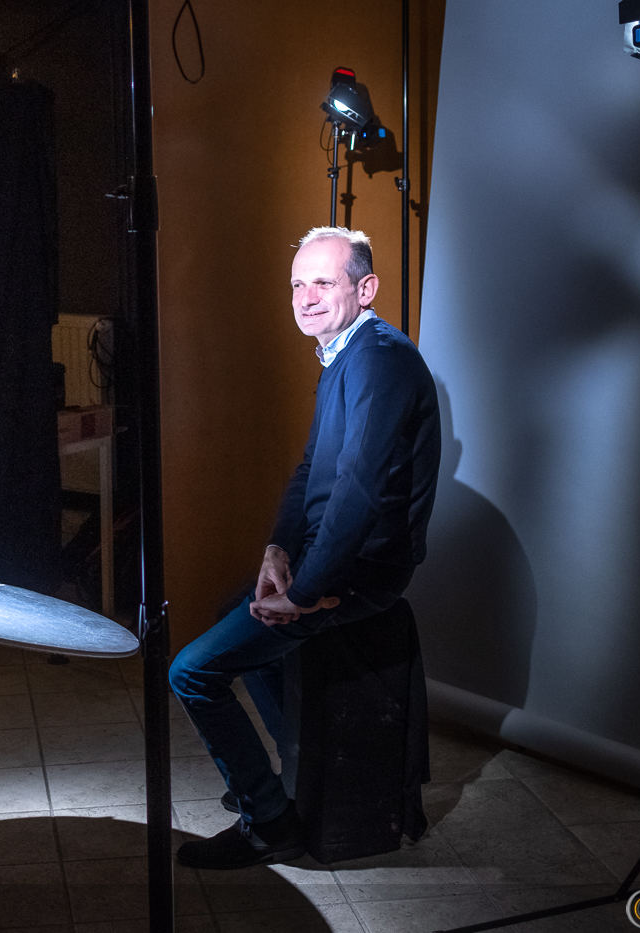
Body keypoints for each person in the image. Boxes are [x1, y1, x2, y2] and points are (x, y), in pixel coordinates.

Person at [170, 226, 441, 870]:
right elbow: (311, 469)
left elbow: (360, 489)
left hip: (361, 573)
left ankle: (268, 821)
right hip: (333, 561)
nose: (306, 297)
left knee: (192, 672)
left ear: (365, 289)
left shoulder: (379, 358)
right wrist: (277, 550)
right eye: (297, 284)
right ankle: (302, 777)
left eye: (323, 282)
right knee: (233, 610)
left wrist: (309, 589)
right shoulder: (344, 354)